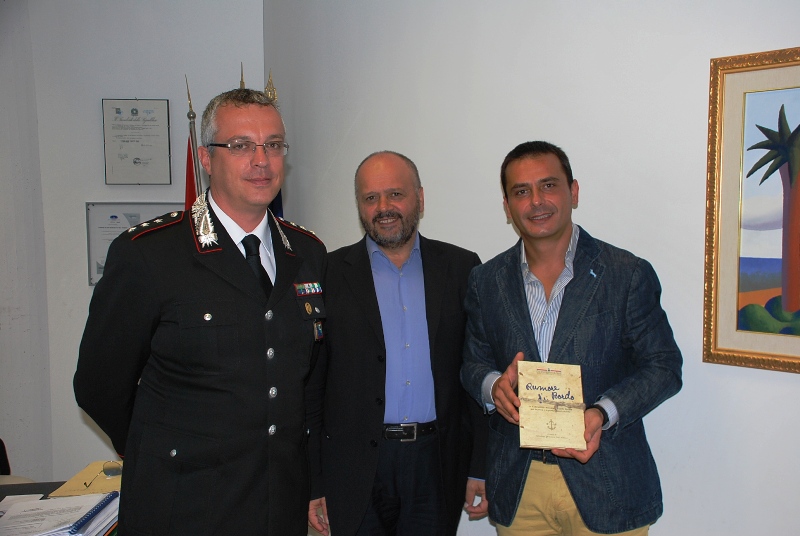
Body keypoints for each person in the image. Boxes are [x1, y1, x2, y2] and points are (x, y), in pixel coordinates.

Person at [74, 87, 326, 535]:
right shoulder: (150, 254)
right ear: (207, 158)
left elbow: (310, 380)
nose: (262, 160)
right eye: (242, 145)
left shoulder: (307, 252)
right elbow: (99, 385)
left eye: (273, 145)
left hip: (278, 504)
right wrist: (163, 449)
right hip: (183, 504)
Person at [460, 141, 682, 535]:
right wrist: (493, 386)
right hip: (520, 485)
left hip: (608, 482)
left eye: (548, 186)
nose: (536, 201)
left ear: (573, 192)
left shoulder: (626, 273)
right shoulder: (485, 281)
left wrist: (602, 413)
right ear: (508, 207)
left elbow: (664, 367)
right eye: (521, 191)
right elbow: (472, 363)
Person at [307, 151, 489, 536]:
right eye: (370, 198)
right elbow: (313, 384)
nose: (383, 208)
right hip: (354, 468)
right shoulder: (328, 273)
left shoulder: (461, 268)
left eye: (395, 194)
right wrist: (314, 481)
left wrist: (480, 466)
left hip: (435, 464)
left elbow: (475, 369)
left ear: (420, 198)